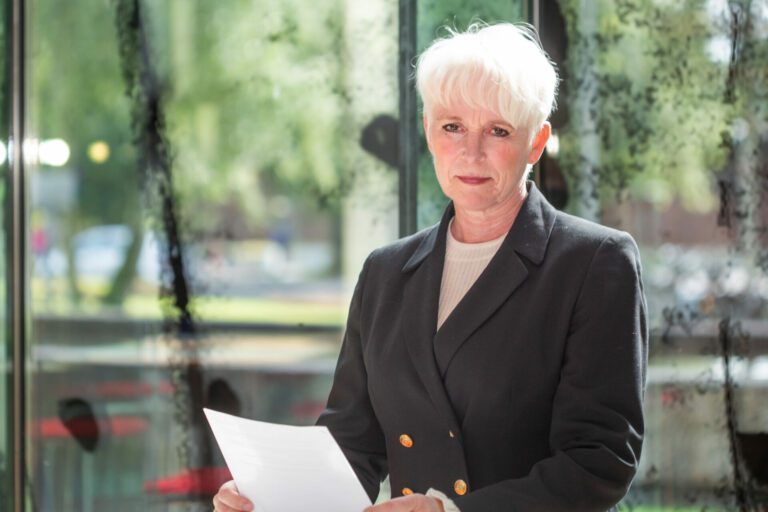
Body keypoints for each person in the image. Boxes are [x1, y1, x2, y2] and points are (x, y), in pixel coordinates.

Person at [213, 22, 647, 512]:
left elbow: (599, 462)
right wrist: (270, 495)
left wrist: (450, 511)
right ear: (428, 130)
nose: (471, 152)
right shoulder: (385, 272)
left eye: (498, 131)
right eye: (452, 127)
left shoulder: (595, 262)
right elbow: (352, 444)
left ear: (536, 141)